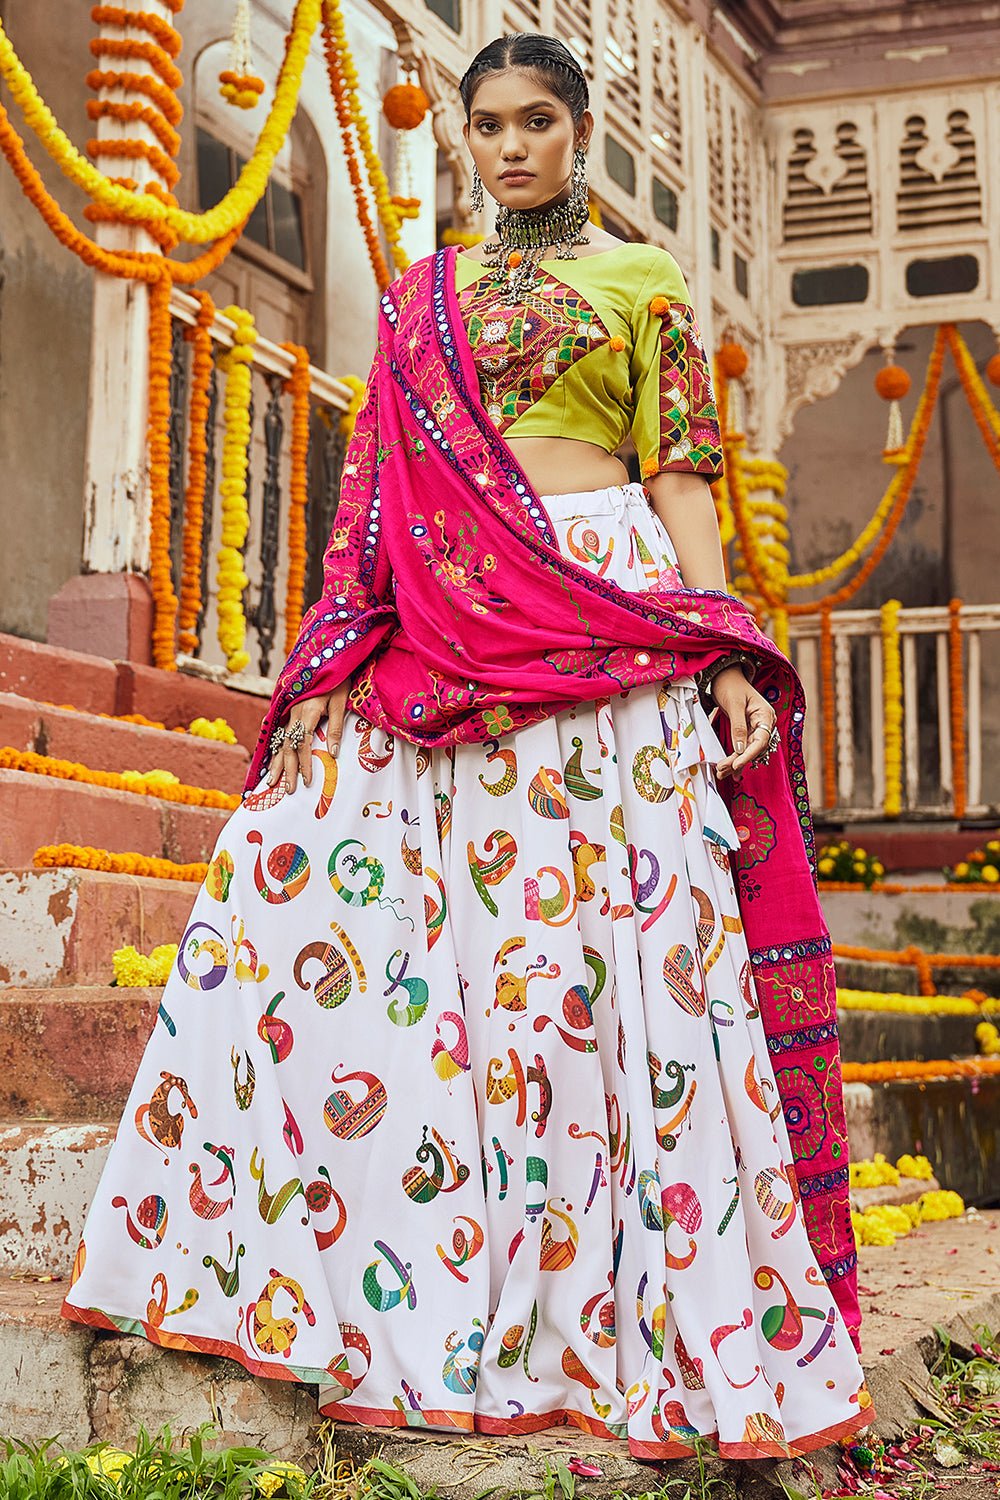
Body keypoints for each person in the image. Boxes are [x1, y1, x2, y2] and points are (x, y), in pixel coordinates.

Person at [62, 33, 874, 1463]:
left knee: (604, 976)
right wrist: (326, 660)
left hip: (608, 619)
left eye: (537, 122)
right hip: (447, 627)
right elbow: (374, 495)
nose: (510, 147)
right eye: (489, 124)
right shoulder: (422, 296)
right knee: (370, 918)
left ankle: (620, 1305)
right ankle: (375, 1281)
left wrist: (729, 641)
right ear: (469, 133)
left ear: (577, 129)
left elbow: (681, 474)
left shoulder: (641, 284)